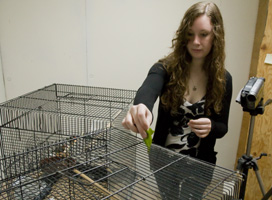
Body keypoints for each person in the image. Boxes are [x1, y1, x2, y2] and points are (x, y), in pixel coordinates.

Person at [122, 1, 232, 198]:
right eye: (190, 35)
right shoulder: (166, 68)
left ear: (216, 35)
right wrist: (140, 106)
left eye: (203, 34)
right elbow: (149, 87)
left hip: (200, 165)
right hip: (163, 159)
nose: (196, 42)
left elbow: (223, 126)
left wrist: (211, 127)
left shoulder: (224, 79)